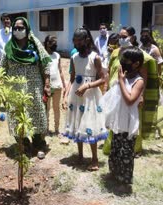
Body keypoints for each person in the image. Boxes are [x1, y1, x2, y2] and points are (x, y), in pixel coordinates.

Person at [0, 17, 52, 159]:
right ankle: (25, 145)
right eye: (15, 28)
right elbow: (2, 69)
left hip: (34, 87)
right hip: (15, 90)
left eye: (20, 28)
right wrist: (2, 90)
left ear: (27, 29)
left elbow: (46, 64)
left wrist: (47, 84)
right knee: (17, 118)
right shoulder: (9, 47)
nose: (17, 30)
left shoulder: (35, 45)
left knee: (37, 116)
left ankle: (39, 144)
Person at [103, 26, 159, 155]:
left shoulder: (138, 55)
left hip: (132, 93)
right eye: (120, 36)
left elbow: (143, 77)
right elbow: (110, 71)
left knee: (132, 121)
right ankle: (113, 147)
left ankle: (134, 149)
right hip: (116, 92)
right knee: (116, 120)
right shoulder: (116, 52)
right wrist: (106, 87)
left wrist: (141, 95)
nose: (121, 39)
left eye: (124, 36)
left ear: (132, 37)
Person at [62, 27, 108, 171]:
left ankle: (94, 159)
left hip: (90, 97)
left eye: (79, 40)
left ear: (86, 40)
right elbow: (72, 78)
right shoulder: (74, 57)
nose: (76, 43)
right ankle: (80, 156)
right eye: (74, 40)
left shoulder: (95, 57)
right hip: (76, 96)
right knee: (77, 123)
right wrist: (65, 95)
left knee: (90, 124)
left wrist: (87, 85)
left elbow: (103, 79)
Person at [100, 46, 144, 190]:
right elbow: (114, 98)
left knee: (126, 153)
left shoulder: (138, 81)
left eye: (126, 60)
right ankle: (114, 173)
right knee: (115, 149)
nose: (123, 62)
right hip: (119, 121)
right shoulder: (125, 77)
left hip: (128, 123)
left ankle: (124, 182)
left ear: (136, 64)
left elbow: (129, 100)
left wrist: (121, 81)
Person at [44, 35, 66, 136]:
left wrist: (64, 84)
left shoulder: (57, 55)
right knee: (47, 109)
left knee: (56, 108)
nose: (55, 45)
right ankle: (46, 129)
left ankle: (57, 130)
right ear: (47, 43)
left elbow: (60, 70)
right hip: (47, 87)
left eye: (55, 43)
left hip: (57, 86)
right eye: (52, 42)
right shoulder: (43, 55)